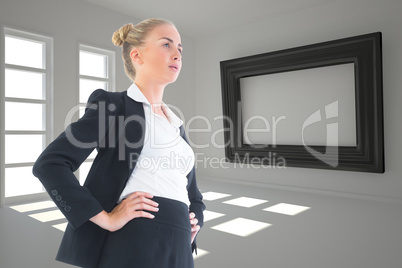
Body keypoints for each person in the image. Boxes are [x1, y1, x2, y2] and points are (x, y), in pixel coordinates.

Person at [32, 18, 205, 268]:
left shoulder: (176, 125)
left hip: (180, 246)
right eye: (167, 45)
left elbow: (194, 196)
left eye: (180, 48)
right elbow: (50, 164)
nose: (177, 53)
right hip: (137, 237)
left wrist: (193, 223)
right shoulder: (114, 105)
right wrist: (106, 219)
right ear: (137, 55)